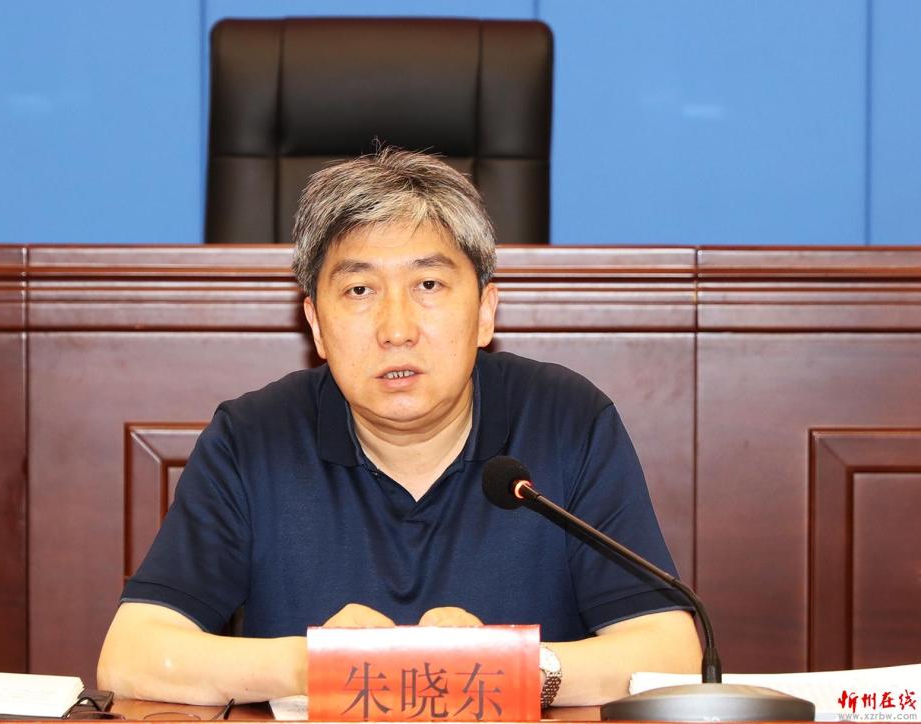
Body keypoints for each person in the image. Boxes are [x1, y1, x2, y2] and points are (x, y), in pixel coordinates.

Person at [97, 148, 700, 707]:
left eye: (428, 285)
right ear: (316, 324)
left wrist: (505, 669)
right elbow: (131, 655)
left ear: (485, 311)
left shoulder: (566, 420)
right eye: (359, 289)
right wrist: (319, 666)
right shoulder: (253, 437)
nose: (396, 329)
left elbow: (670, 653)